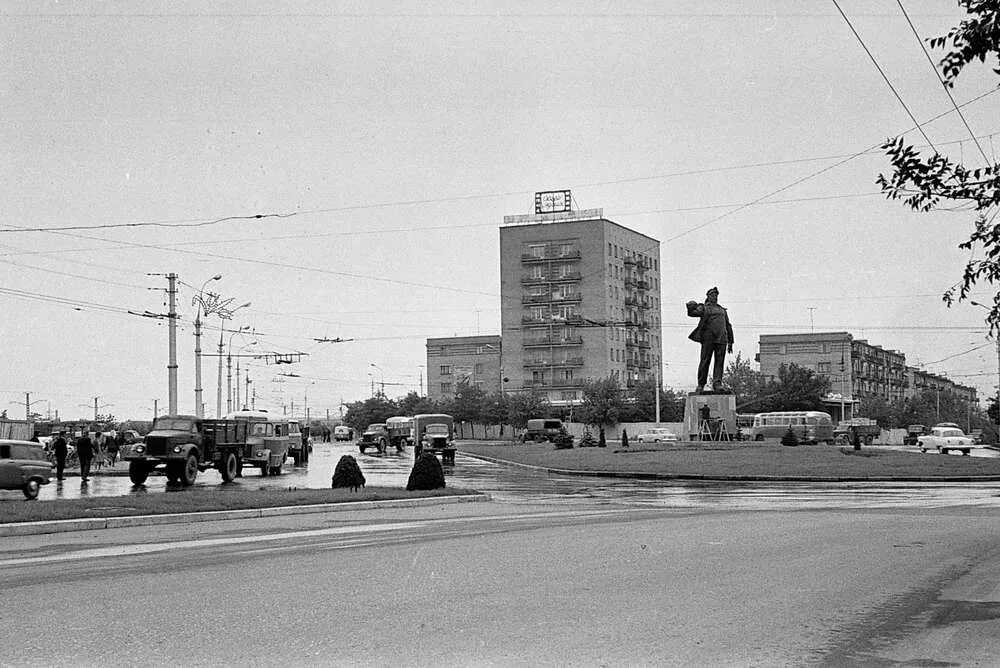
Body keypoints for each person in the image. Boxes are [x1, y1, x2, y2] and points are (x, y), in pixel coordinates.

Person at [686, 286, 734, 394]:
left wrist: (731, 341)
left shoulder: (722, 310)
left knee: (719, 362)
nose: (715, 297)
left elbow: (728, 325)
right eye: (712, 295)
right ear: (708, 296)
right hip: (708, 338)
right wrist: (690, 306)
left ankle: (717, 384)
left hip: (722, 338)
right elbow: (693, 313)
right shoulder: (704, 308)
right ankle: (701, 384)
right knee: (705, 361)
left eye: (716, 295)